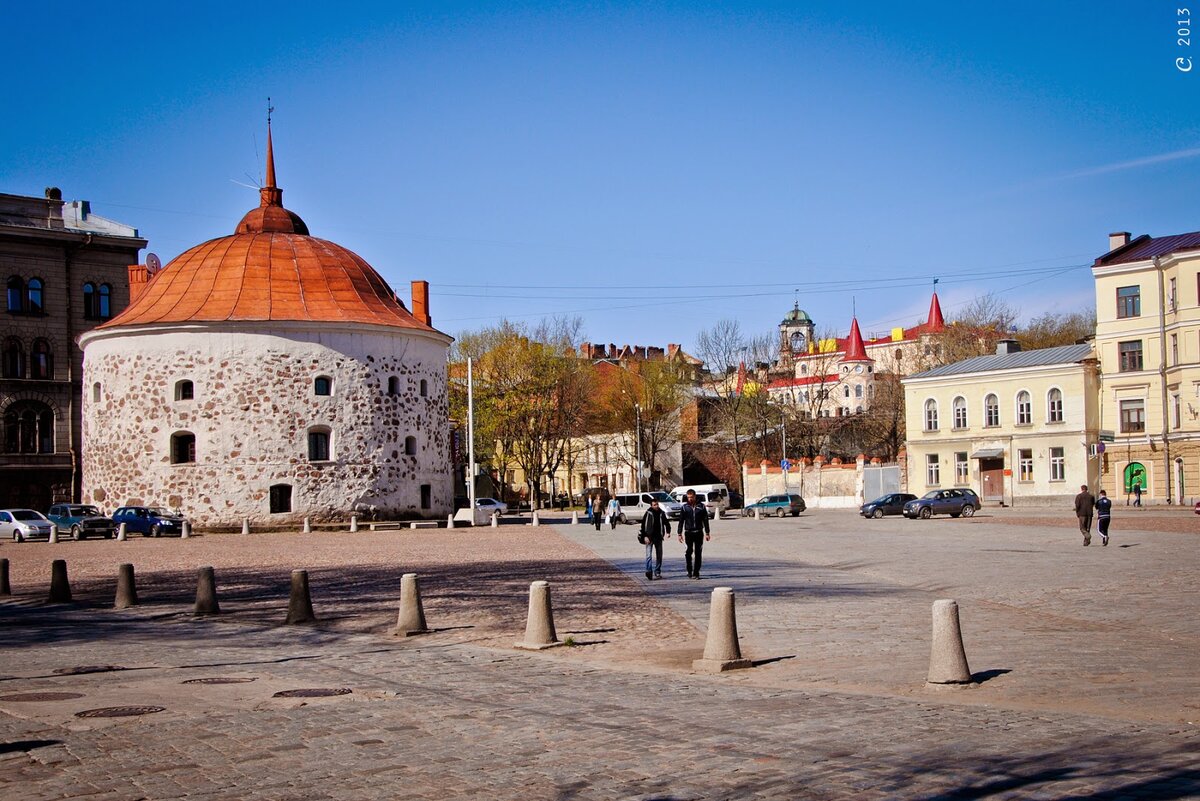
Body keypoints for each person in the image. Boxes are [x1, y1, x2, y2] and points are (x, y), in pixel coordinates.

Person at [676, 488, 711, 579]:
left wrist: (707, 532)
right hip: (688, 533)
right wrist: (679, 533)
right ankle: (689, 570)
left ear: (695, 496)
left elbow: (705, 520)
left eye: (691, 497)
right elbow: (681, 521)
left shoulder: (701, 506)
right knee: (688, 552)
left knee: (698, 553)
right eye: (688, 497)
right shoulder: (685, 507)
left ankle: (696, 572)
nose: (690, 499)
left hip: (699, 532)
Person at [639, 498, 670, 579]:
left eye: (657, 504)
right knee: (648, 556)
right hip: (649, 538)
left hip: (659, 537)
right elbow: (643, 525)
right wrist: (644, 536)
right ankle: (649, 571)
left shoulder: (661, 513)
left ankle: (657, 571)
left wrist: (668, 532)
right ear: (651, 505)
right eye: (654, 505)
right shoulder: (648, 513)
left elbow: (666, 523)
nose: (656, 506)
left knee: (659, 555)